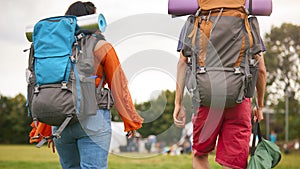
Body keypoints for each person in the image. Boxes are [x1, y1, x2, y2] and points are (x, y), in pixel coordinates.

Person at [51, 1, 143, 169]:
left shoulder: (55, 49)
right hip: (93, 118)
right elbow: (118, 85)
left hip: (60, 122)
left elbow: (50, 88)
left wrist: (43, 127)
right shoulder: (101, 46)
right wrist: (130, 120)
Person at [173, 11, 267, 169]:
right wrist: (261, 106)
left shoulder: (194, 21)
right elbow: (261, 70)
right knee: (233, 163)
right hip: (239, 100)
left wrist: (178, 103)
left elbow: (183, 63)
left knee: (200, 154)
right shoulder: (247, 23)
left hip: (206, 100)